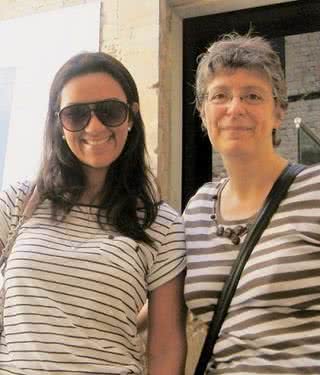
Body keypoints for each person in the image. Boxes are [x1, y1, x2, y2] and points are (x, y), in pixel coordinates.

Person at [0, 51, 187, 375]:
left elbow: (166, 348)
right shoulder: (19, 201)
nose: (95, 125)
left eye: (110, 111)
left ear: (131, 117)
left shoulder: (162, 225)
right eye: (76, 115)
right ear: (59, 124)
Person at [183, 32, 320, 374]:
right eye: (220, 96)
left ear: (279, 112)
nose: (235, 108)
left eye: (252, 96)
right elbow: (162, 303)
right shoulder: (198, 209)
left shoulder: (315, 189)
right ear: (203, 113)